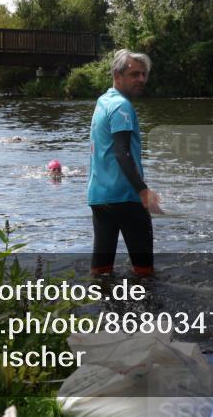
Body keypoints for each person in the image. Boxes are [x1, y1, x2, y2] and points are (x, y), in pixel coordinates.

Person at [87, 49, 160, 277]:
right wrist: (143, 191)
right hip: (126, 198)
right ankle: (146, 310)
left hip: (100, 197)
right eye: (134, 74)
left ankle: (102, 309)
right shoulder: (122, 106)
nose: (141, 79)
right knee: (144, 272)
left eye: (144, 74)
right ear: (118, 76)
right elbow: (122, 153)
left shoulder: (103, 101)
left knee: (101, 271)